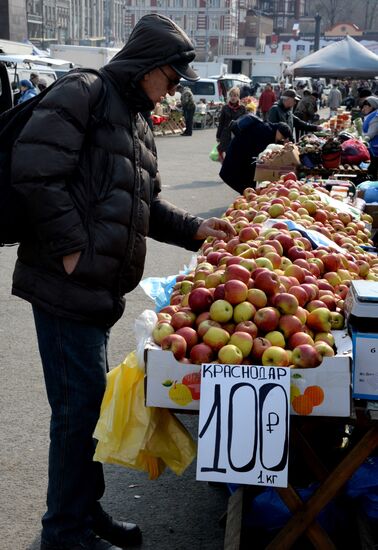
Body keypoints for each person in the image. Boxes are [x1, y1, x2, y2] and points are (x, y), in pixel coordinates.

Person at [10, 14, 235, 550]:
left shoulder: (134, 117)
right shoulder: (83, 91)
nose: (176, 90)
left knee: (89, 407)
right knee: (76, 412)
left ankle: (86, 512)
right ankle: (63, 531)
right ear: (148, 67)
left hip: (96, 290)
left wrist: (195, 228)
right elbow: (34, 170)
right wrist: (70, 249)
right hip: (66, 285)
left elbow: (142, 204)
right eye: (173, 78)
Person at [219, 114, 293, 193]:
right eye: (283, 137)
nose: (282, 139)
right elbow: (258, 153)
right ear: (279, 131)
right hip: (239, 154)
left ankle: (247, 195)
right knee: (239, 179)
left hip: (240, 153)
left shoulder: (268, 129)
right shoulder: (266, 133)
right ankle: (247, 196)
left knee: (244, 181)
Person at [216, 87, 246, 159]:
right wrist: (218, 135)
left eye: (235, 95)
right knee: (228, 154)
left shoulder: (242, 108)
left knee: (236, 154)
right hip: (226, 134)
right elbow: (221, 123)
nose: (233, 98)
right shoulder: (225, 108)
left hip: (238, 134)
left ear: (238, 97)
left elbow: (245, 122)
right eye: (231, 95)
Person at [361, 96, 378, 180]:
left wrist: (363, 140)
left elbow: (371, 133)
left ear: (372, 106)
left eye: (365, 106)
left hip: (376, 148)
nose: (363, 108)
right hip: (373, 147)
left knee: (373, 168)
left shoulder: (376, 117)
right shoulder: (371, 115)